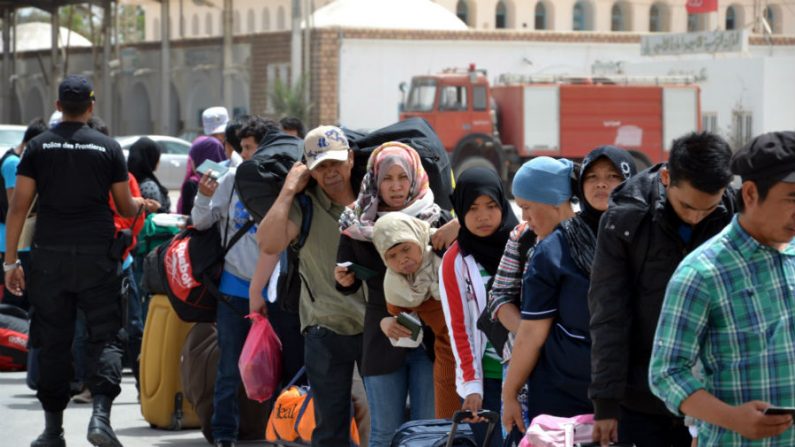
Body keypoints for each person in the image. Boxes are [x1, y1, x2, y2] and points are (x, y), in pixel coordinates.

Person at [4, 74, 143, 447]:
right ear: (92, 107)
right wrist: (142, 204)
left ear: (58, 106)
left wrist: (10, 262)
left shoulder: (37, 147)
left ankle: (52, 431)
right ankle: (100, 418)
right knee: (106, 337)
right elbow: (125, 206)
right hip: (98, 256)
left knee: (52, 340)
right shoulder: (108, 147)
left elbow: (18, 207)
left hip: (50, 258)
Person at [588, 132, 736, 447]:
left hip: (716, 397)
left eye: (708, 209)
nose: (696, 217)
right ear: (667, 177)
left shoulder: (734, 215)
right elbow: (609, 312)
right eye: (687, 206)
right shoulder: (625, 219)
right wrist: (606, 401)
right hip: (644, 397)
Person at [649, 130, 795, 446]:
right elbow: (666, 373)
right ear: (752, 194)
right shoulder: (702, 272)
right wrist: (731, 418)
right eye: (792, 199)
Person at [502, 149, 636, 436]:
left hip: (633, 396)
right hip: (564, 400)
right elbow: (530, 334)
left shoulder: (645, 240)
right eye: (593, 176)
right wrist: (509, 393)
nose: (602, 183)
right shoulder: (553, 251)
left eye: (613, 176)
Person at [334, 142, 453, 446]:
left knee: (429, 432)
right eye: (388, 179)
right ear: (375, 180)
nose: (396, 187)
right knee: (385, 434)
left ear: (415, 177)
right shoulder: (355, 224)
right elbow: (347, 281)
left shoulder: (438, 220)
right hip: (381, 337)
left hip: (432, 342)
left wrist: (460, 226)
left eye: (402, 177)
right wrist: (345, 280)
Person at [257, 125, 367, 447]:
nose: (330, 173)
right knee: (330, 430)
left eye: (335, 163)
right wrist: (288, 190)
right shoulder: (304, 207)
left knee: (379, 427)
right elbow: (268, 243)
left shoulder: (372, 199)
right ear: (309, 170)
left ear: (349, 159)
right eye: (320, 166)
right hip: (325, 329)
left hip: (374, 327)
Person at [191, 118, 280, 447]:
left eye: (251, 147)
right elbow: (201, 222)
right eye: (242, 147)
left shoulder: (282, 182)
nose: (245, 154)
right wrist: (202, 196)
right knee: (229, 367)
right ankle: (225, 433)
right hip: (233, 290)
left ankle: (277, 429)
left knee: (277, 366)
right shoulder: (229, 180)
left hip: (274, 292)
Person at [440, 167, 518, 447]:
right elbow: (458, 327)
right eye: (472, 208)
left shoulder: (524, 244)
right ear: (460, 211)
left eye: (491, 205)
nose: (483, 216)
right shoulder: (456, 260)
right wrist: (472, 386)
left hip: (527, 375)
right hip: (487, 382)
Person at [372, 212, 459, 420]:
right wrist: (388, 323)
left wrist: (460, 223)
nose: (402, 259)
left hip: (482, 350)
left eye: (406, 249)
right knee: (448, 425)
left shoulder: (449, 251)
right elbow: (407, 328)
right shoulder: (395, 286)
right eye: (392, 256)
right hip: (447, 354)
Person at [0, 117, 47, 310]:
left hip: (17, 241)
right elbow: (16, 206)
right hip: (12, 243)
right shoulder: (13, 163)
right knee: (15, 302)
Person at [177, 135, 226, 215]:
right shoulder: (227, 180)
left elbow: (186, 217)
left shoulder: (191, 184)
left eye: (192, 157)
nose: (190, 161)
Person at [127, 137, 171, 213]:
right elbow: (154, 217)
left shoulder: (124, 179)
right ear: (150, 158)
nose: (159, 161)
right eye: (157, 157)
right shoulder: (149, 186)